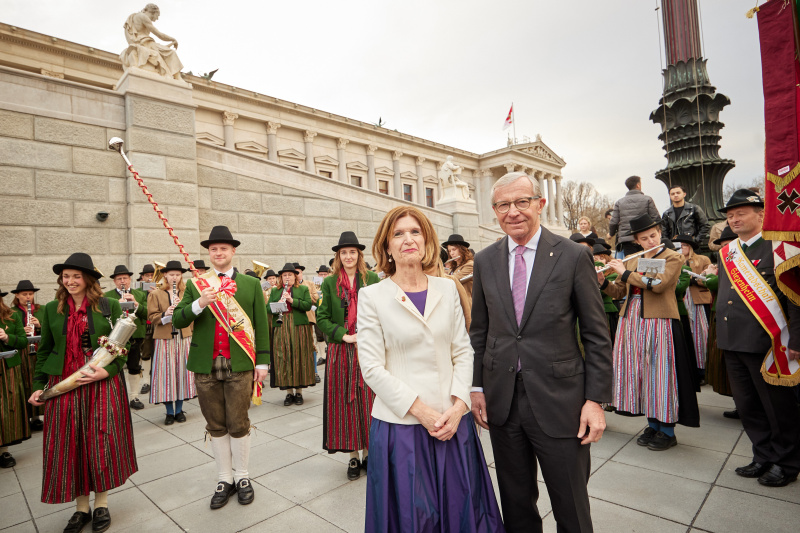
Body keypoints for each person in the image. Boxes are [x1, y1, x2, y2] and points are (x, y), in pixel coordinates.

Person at [470, 172, 612, 533]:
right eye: (503, 205)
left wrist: (595, 400)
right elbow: (480, 331)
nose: (513, 212)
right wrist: (477, 387)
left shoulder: (572, 256)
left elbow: (596, 334)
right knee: (516, 504)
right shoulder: (485, 260)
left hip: (560, 401)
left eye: (522, 202)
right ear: (494, 210)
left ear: (540, 204)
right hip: (503, 402)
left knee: (571, 505)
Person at [358, 205, 503, 532]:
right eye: (398, 234)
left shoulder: (447, 288)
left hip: (453, 421)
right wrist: (421, 411)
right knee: (413, 517)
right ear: (387, 246)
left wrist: (459, 406)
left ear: (426, 241)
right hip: (402, 427)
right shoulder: (372, 297)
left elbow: (462, 350)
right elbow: (371, 367)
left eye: (415, 232)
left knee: (462, 511)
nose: (408, 239)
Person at [28, 253, 137, 533]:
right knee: (70, 445)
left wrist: (108, 372)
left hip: (100, 384)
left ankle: (101, 504)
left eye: (76, 276)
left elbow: (123, 348)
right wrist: (38, 385)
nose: (70, 281)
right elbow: (44, 350)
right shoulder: (51, 309)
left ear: (88, 279)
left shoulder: (109, 305)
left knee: (100, 442)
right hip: (64, 384)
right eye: (66, 276)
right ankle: (81, 509)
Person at [173, 226, 270, 509]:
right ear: (209, 253)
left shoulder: (251, 284)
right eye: (213, 249)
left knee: (238, 422)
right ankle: (224, 478)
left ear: (233, 251)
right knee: (215, 424)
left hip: (240, 363)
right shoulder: (196, 285)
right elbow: (178, 320)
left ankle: (242, 476)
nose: (218, 253)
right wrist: (200, 303)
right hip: (205, 365)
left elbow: (261, 325)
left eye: (223, 248)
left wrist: (262, 362)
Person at [715, 190, 800, 487]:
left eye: (741, 213)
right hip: (732, 340)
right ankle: (762, 455)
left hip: (768, 341)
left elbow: (795, 298)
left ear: (761, 214)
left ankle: (786, 462)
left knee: (777, 407)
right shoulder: (727, 252)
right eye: (730, 216)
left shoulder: (780, 247)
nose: (734, 220)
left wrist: (797, 339)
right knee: (748, 405)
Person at [600, 214, 701, 451]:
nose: (650, 241)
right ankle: (652, 424)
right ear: (637, 241)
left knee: (661, 373)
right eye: (644, 238)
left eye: (653, 235)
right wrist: (603, 281)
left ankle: (667, 429)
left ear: (660, 233)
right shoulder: (633, 260)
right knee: (641, 373)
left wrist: (625, 272)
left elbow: (659, 285)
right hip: (631, 321)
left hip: (659, 321)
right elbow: (619, 292)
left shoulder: (673, 257)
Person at [316, 231, 381, 480]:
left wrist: (367, 334)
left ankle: (369, 453)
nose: (348, 256)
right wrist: (344, 335)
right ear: (338, 256)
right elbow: (322, 317)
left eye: (352, 252)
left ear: (359, 254)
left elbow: (382, 311)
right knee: (345, 404)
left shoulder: (371, 278)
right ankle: (353, 456)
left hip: (369, 347)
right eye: (344, 253)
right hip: (341, 350)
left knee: (369, 401)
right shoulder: (330, 282)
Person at [147, 260, 195, 425]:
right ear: (165, 275)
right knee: (166, 375)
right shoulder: (155, 294)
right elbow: (152, 317)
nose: (174, 277)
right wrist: (166, 314)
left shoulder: (186, 293)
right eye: (171, 274)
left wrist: (182, 311)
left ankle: (179, 410)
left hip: (183, 337)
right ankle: (169, 412)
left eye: (178, 274)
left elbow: (192, 314)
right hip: (164, 338)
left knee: (182, 373)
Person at [267, 263, 315, 406]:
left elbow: (308, 305)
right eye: (285, 275)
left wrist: (292, 300)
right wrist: (277, 305)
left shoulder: (303, 289)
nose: (287, 277)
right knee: (284, 357)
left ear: (295, 276)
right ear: (281, 277)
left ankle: (299, 392)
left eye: (290, 275)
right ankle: (289, 393)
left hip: (299, 326)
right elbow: (267, 308)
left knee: (299, 356)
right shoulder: (275, 291)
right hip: (281, 325)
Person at [699, 226, 736, 406]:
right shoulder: (724, 260)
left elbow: (717, 283)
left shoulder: (736, 260)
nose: (724, 248)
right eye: (722, 246)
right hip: (719, 311)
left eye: (728, 244)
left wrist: (709, 276)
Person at [103, 265, 148, 411]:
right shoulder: (107, 296)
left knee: (134, 366)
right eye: (119, 279)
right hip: (116, 337)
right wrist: (117, 305)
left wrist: (136, 304)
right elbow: (104, 317)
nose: (122, 281)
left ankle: (134, 397)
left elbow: (148, 314)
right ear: (115, 282)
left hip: (135, 335)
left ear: (130, 280)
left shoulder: (140, 294)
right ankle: (117, 398)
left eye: (125, 278)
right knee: (115, 367)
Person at [10, 280, 46, 431]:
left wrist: (39, 326)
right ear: (17, 295)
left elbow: (50, 329)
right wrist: (21, 331)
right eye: (24, 294)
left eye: (30, 294)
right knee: (25, 381)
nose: (28, 297)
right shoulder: (11, 312)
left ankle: (37, 417)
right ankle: (26, 418)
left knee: (38, 380)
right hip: (22, 350)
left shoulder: (42, 310)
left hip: (39, 348)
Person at [675, 236, 711, 383]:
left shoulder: (702, 259)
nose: (681, 248)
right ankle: (691, 370)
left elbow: (710, 279)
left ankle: (704, 370)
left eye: (684, 245)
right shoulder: (673, 260)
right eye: (679, 245)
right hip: (681, 301)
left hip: (698, 300)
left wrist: (693, 280)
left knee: (701, 334)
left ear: (690, 246)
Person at [0, 288, 29, 469]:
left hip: (7, 367)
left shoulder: (11, 316)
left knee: (7, 408)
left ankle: (4, 450)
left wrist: (6, 337)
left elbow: (23, 341)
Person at [120, 3, 183, 80]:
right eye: (158, 15)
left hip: (140, 42)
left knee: (165, 51)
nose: (157, 18)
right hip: (145, 42)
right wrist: (173, 39)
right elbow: (159, 34)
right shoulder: (143, 17)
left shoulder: (133, 17)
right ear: (153, 12)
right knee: (171, 52)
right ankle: (177, 77)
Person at [609, 175, 661, 256]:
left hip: (627, 239)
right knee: (647, 259)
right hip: (645, 237)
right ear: (638, 185)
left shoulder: (619, 202)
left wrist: (611, 234)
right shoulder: (647, 199)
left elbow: (613, 222)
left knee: (631, 261)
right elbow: (656, 218)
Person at [294, 263, 322, 383]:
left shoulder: (309, 284)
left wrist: (302, 295)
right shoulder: (289, 286)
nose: (297, 275)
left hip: (307, 318)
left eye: (299, 273)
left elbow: (315, 298)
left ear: (302, 273)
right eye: (295, 273)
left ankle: (314, 372)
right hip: (293, 319)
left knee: (310, 344)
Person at [592, 243, 619, 341]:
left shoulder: (613, 275)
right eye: (595, 259)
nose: (599, 262)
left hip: (606, 311)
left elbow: (603, 292)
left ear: (607, 261)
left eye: (602, 258)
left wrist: (600, 276)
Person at [138, 264, 157, 388]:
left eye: (152, 275)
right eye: (147, 275)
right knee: (145, 353)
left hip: (158, 326)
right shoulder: (139, 291)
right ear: (143, 277)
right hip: (145, 326)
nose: (150, 278)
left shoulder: (160, 290)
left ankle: (156, 379)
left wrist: (156, 294)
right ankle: (146, 381)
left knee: (158, 353)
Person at [314, 265, 331, 365]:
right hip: (318, 312)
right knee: (319, 335)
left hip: (328, 313)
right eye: (321, 274)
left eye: (325, 274)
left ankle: (329, 354)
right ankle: (322, 356)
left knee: (328, 335)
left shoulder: (330, 283)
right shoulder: (314, 285)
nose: (323, 276)